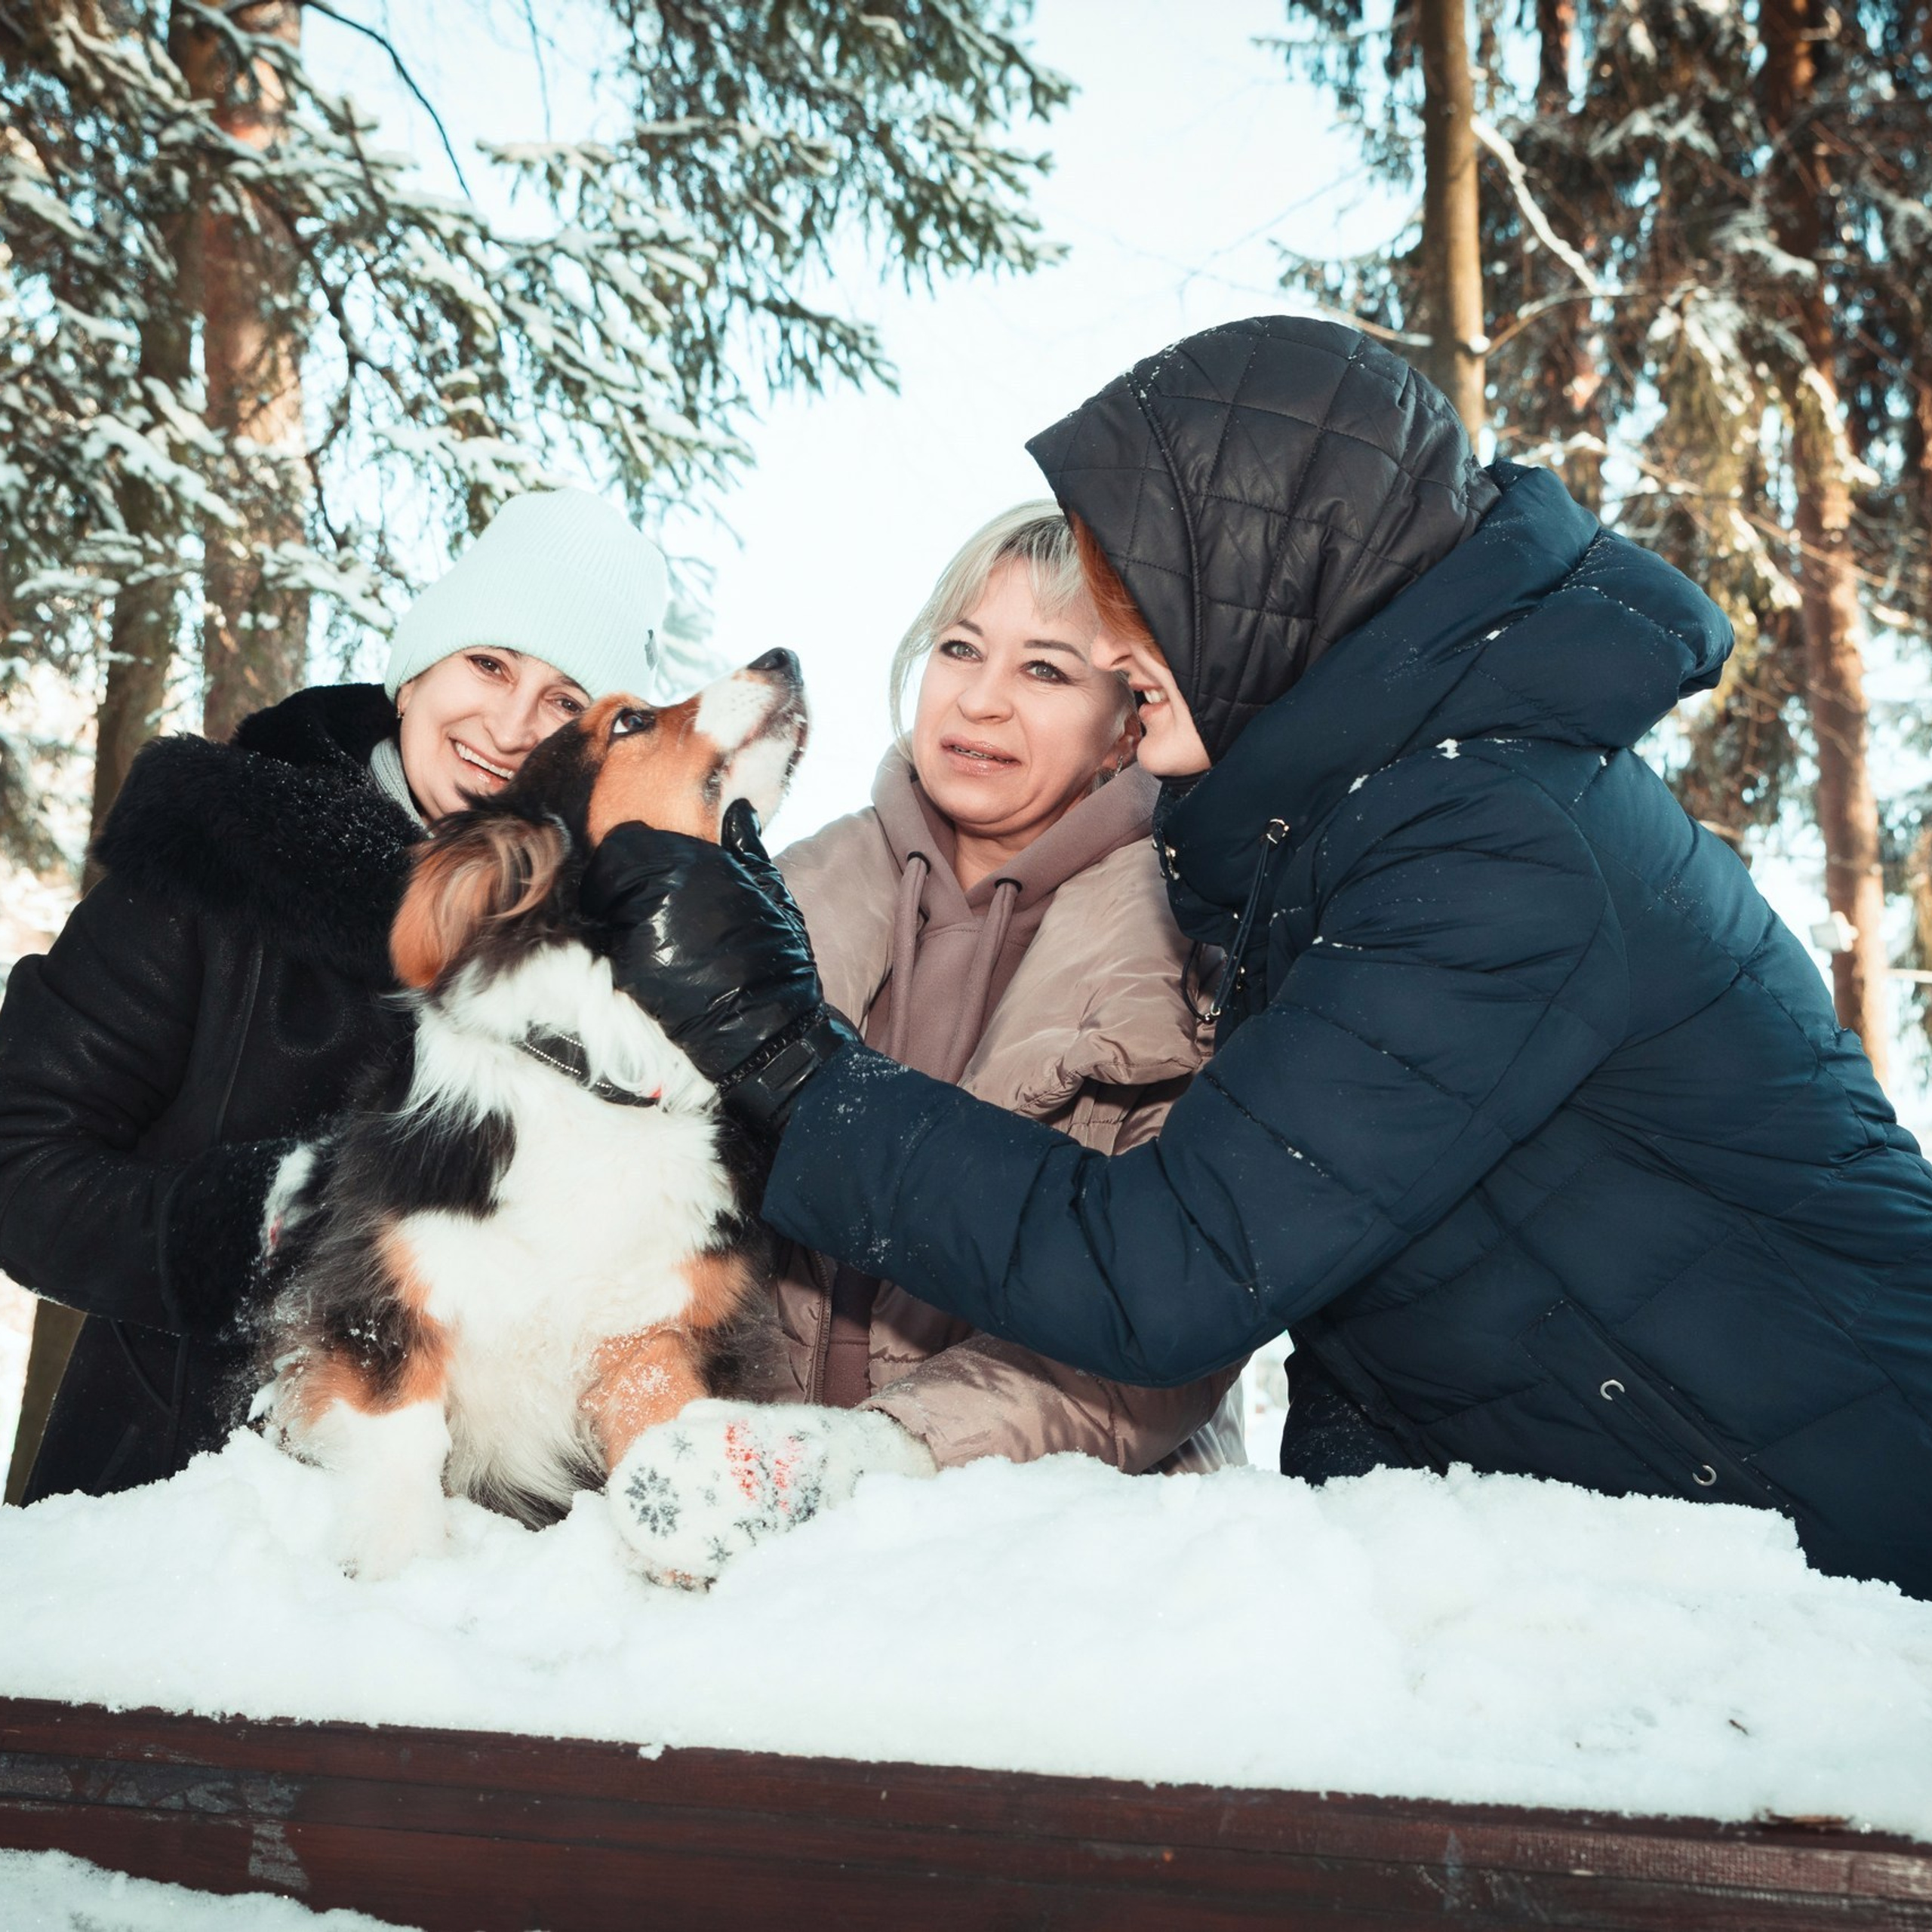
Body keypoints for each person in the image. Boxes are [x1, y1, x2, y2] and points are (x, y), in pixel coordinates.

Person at [583, 315, 1932, 1600]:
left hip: (1831, 1533)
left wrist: (787, 1056)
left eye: (1123, 603)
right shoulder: (1348, 841)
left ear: (1266, 587)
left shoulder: (1492, 848)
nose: (1106, 647)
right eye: (965, 648)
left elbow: (1175, 1268)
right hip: (1639, 1529)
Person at [0, 487, 669, 1505]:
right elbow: (20, 1157)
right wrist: (248, 1228)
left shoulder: (609, 965)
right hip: (171, 1508)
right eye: (489, 664)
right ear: (416, 672)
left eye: (563, 703)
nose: (509, 727)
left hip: (467, 1555)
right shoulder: (216, 856)